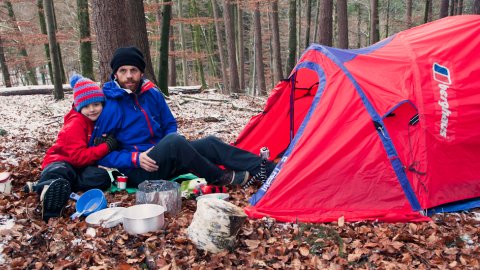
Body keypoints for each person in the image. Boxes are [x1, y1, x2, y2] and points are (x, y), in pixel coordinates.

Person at [90, 46, 275, 188]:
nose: (129, 76)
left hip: (165, 157)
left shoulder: (151, 93)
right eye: (123, 71)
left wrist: (164, 147)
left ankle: (269, 170)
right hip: (140, 172)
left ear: (141, 72)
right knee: (175, 142)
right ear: (115, 73)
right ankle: (219, 177)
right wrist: (134, 158)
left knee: (209, 143)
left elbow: (169, 123)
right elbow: (98, 154)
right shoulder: (109, 105)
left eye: (133, 70)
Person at [24, 75, 118, 221]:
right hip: (61, 161)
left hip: (79, 168)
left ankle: (55, 187)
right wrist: (106, 147)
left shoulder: (97, 122)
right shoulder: (75, 124)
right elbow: (78, 158)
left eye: (96, 104)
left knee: (101, 177)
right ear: (78, 106)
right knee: (61, 171)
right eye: (86, 106)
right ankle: (49, 191)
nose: (92, 109)